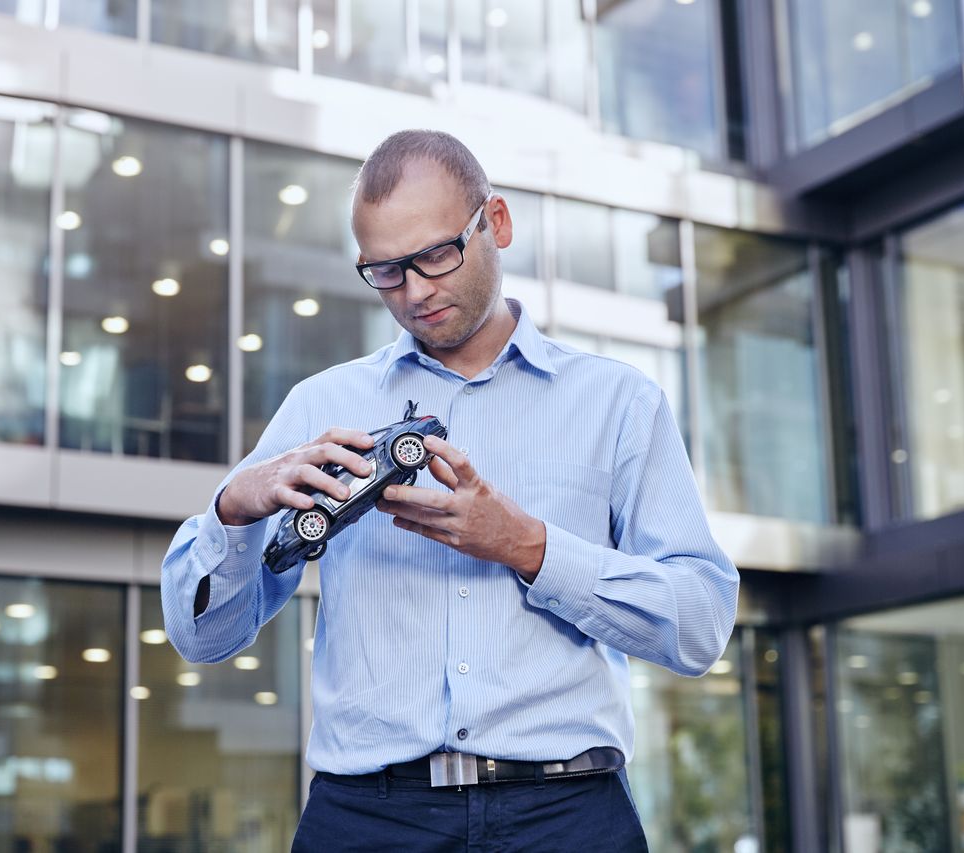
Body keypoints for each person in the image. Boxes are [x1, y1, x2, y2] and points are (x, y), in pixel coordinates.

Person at [161, 129, 739, 851]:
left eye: (435, 255)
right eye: (386, 271)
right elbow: (204, 636)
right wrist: (233, 510)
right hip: (368, 819)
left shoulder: (620, 404)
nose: (416, 291)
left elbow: (700, 623)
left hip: (566, 815)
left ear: (494, 222)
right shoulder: (321, 406)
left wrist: (529, 547)